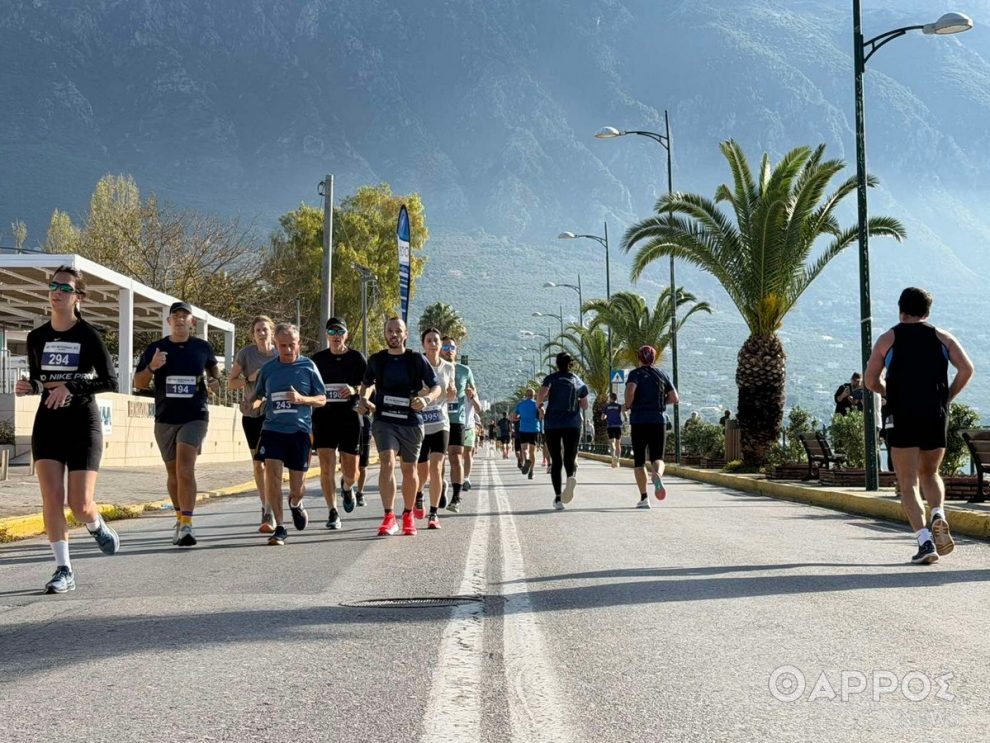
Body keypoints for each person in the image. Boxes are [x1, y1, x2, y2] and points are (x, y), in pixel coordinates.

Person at [17, 266, 120, 593]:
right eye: (53, 286)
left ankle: (95, 523)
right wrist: (30, 387)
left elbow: (110, 380)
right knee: (51, 497)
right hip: (48, 423)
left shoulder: (88, 335)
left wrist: (72, 387)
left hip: (82, 424)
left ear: (78, 297)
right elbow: (41, 380)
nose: (57, 292)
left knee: (79, 505)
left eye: (65, 288)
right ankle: (64, 569)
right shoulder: (36, 337)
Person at [864, 287, 974, 565]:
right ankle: (938, 513)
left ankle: (925, 542)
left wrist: (889, 391)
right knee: (930, 473)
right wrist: (947, 397)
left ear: (901, 310)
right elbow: (966, 369)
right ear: (927, 312)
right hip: (935, 413)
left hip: (902, 414)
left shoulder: (888, 338)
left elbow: (870, 381)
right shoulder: (943, 337)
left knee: (908, 481)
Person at [134, 301, 220, 547]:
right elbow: (138, 383)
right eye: (176, 316)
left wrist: (215, 382)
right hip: (165, 418)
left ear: (192, 321)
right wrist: (152, 367)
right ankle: (179, 518)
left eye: (185, 316)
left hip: (195, 415)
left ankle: (187, 525)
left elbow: (215, 374)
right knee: (173, 473)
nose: (180, 319)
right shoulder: (156, 348)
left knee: (185, 468)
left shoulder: (202, 347)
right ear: (169, 321)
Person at [359, 318, 441, 537]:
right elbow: (366, 384)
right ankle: (388, 516)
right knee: (386, 461)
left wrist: (426, 400)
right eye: (390, 331)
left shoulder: (416, 359)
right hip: (384, 420)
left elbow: (436, 387)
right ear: (385, 334)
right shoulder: (377, 360)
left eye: (398, 331)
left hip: (410, 420)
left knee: (409, 469)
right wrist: (364, 399)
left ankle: (407, 514)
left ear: (406, 335)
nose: (393, 334)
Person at [247, 323, 327, 546]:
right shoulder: (269, 369)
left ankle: (296, 503)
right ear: (276, 345)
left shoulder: (308, 366)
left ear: (299, 343)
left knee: (296, 487)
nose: (288, 350)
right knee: (272, 474)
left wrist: (302, 399)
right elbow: (258, 395)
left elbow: (322, 399)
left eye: (292, 345)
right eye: (283, 346)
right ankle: (280, 527)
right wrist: (253, 404)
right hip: (273, 429)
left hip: (299, 432)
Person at [310, 317, 367, 530]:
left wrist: (354, 390)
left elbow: (369, 384)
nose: (336, 336)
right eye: (332, 332)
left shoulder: (356, 358)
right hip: (324, 419)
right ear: (327, 335)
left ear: (346, 335)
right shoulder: (318, 360)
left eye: (340, 332)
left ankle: (347, 487)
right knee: (326, 467)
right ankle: (332, 511)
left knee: (352, 473)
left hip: (349, 419)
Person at [229, 315, 278, 533]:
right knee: (258, 464)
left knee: (272, 463)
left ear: (272, 332)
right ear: (253, 334)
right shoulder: (246, 354)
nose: (261, 333)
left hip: (275, 415)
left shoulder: (279, 354)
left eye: (265, 329)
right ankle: (265, 506)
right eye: (258, 330)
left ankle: (271, 507)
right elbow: (230, 383)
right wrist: (250, 378)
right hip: (252, 415)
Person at [624, 345, 679, 509]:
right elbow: (674, 397)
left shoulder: (635, 374)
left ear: (639, 358)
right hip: (658, 420)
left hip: (639, 420)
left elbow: (630, 391)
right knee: (658, 458)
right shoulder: (662, 374)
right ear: (653, 359)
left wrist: (628, 404)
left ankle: (644, 498)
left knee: (639, 461)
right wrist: (661, 403)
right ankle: (657, 475)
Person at [537, 352, 589, 510]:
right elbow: (585, 405)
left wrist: (540, 406)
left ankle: (558, 499)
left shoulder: (550, 378)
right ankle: (571, 477)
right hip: (573, 423)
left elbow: (541, 395)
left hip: (552, 424)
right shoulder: (577, 380)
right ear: (571, 364)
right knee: (569, 457)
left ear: (557, 364)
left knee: (556, 461)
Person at [415, 328, 456, 529]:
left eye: (436, 341)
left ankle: (433, 513)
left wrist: (452, 393)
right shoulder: (418, 364)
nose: (433, 344)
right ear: (423, 344)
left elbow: (451, 396)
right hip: (421, 423)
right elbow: (410, 390)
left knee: (437, 467)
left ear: (441, 344)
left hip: (441, 422)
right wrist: (420, 392)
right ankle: (418, 493)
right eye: (429, 340)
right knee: (422, 472)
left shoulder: (449, 367)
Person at [440, 337, 478, 512]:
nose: (449, 350)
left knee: (456, 457)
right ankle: (440, 487)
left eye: (452, 347)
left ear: (456, 350)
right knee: (438, 460)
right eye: (445, 347)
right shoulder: (433, 367)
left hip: (457, 420)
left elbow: (473, 391)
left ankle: (456, 497)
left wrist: (472, 394)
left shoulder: (464, 370)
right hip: (437, 419)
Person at [513, 389, 540, 479]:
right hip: (534, 429)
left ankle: (527, 459)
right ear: (534, 395)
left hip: (523, 429)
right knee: (533, 451)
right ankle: (531, 472)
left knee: (525, 449)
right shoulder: (536, 404)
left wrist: (519, 418)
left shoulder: (520, 404)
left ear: (526, 395)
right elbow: (541, 414)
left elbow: (514, 417)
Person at [355, 407, 373, 507]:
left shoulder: (369, 394)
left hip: (364, 429)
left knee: (363, 465)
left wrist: (366, 403)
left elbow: (375, 407)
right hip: (347, 427)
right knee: (348, 463)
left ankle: (360, 493)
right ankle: (346, 483)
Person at [602, 392, 624, 467]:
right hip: (618, 426)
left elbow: (602, 417)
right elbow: (625, 414)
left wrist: (606, 417)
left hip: (610, 426)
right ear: (616, 398)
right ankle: (618, 460)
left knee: (612, 442)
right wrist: (625, 419)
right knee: (618, 444)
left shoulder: (606, 406)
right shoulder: (619, 406)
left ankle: (613, 457)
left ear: (610, 398)